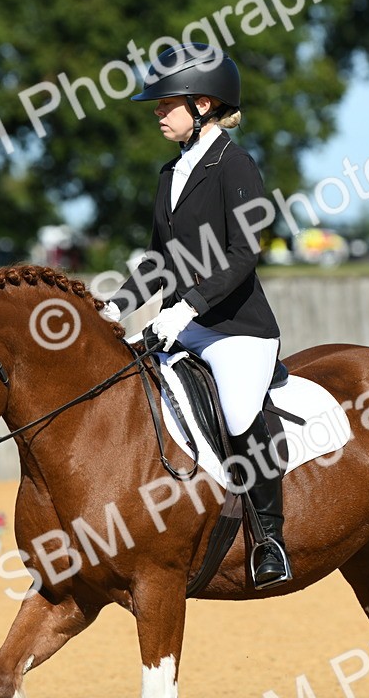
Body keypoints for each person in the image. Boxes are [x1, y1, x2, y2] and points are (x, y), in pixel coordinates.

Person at [101, 42, 290, 589]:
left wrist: (187, 307)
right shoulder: (171, 172)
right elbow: (161, 258)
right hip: (182, 326)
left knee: (236, 412)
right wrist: (118, 305)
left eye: (166, 103)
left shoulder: (235, 164)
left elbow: (243, 253)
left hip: (236, 329)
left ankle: (270, 537)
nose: (157, 112)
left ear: (203, 104)